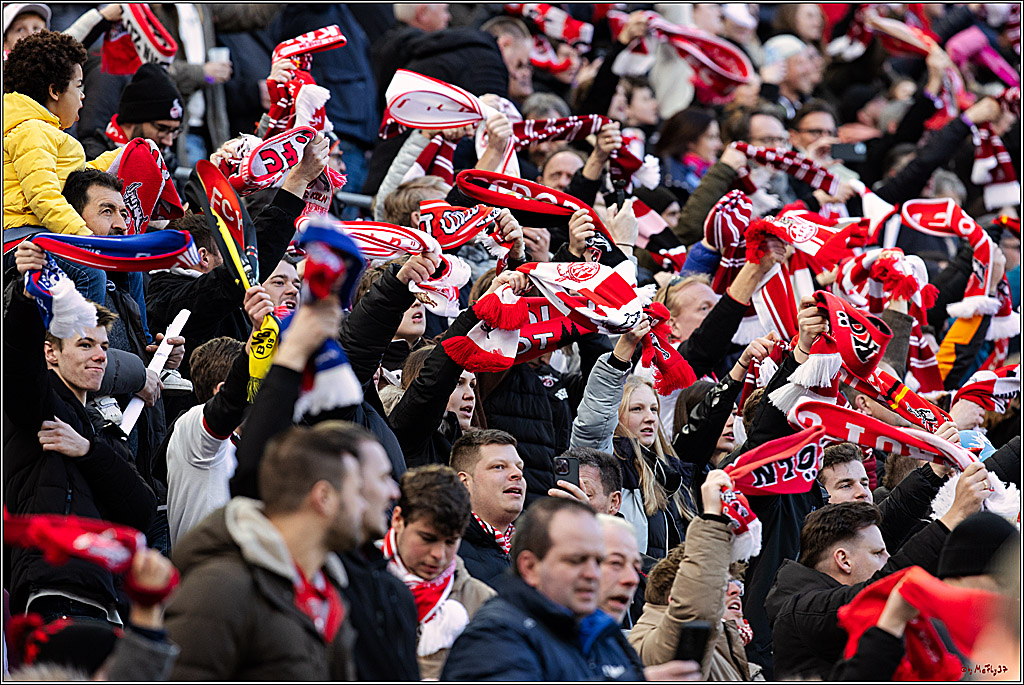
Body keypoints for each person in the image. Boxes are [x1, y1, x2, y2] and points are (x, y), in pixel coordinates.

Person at [5, 241, 157, 623]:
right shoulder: (40, 407)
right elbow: (19, 363)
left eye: (104, 346)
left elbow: (141, 509)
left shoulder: (100, 432)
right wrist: (28, 296)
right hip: (53, 589)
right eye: (85, 344)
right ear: (51, 353)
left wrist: (88, 450)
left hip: (106, 599)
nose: (101, 355)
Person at [165, 423, 366, 680]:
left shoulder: (327, 591)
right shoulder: (220, 589)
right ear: (323, 497)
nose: (363, 506)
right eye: (357, 492)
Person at [766, 465, 992, 681]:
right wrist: (954, 517)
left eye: (865, 482)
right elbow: (881, 586)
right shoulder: (802, 610)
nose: (888, 559)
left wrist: (932, 474)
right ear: (843, 560)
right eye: (878, 553)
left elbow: (896, 513)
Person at [441, 498, 646, 681]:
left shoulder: (606, 635)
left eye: (599, 561)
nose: (593, 574)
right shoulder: (493, 637)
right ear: (530, 567)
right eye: (576, 560)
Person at [629, 471, 757, 680]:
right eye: (720, 584)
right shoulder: (648, 641)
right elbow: (693, 612)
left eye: (735, 583)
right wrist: (712, 520)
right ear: (676, 597)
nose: (735, 590)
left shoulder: (728, 650)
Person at [383, 465, 495, 679]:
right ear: (398, 519)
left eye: (451, 542)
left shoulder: (482, 601)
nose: (438, 554)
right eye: (428, 538)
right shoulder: (356, 576)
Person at [335, 424, 420, 682]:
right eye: (384, 477)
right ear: (348, 486)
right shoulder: (318, 590)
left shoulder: (391, 588)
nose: (395, 492)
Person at [449, 429, 525, 587]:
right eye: (499, 467)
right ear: (464, 483)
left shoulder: (538, 542)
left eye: (520, 468)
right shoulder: (447, 551)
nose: (517, 474)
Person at [79, 63, 184, 161]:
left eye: (174, 131)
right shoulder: (94, 161)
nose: (169, 142)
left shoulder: (163, 161)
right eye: (162, 128)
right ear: (131, 121)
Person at [657, 107, 724, 197]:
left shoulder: (714, 173)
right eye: (711, 137)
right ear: (690, 141)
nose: (719, 145)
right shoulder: (667, 179)